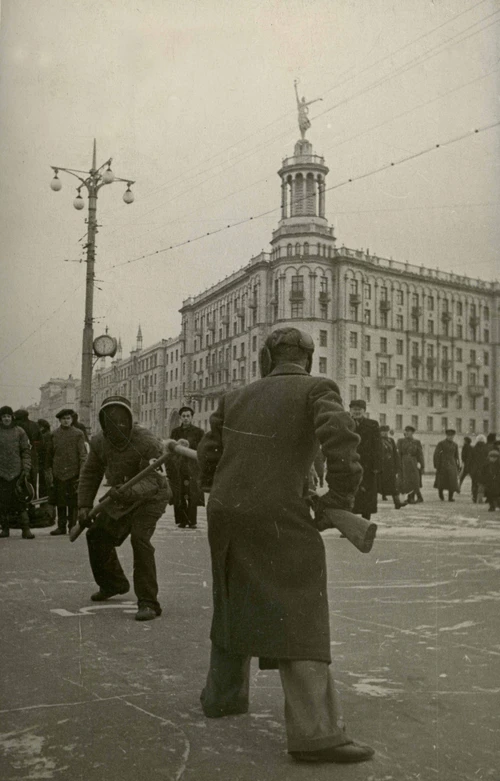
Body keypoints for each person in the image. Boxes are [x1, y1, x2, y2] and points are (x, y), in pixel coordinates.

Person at [197, 327, 373, 764]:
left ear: (266, 358)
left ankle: (223, 696)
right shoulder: (318, 387)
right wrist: (338, 499)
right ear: (308, 359)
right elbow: (343, 442)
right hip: (279, 513)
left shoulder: (234, 397)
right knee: (301, 609)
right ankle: (316, 735)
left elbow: (208, 454)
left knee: (232, 597)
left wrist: (220, 488)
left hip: (226, 513)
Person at [77, 396, 171, 622]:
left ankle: (149, 602)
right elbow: (90, 473)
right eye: (111, 425)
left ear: (129, 422)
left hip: (151, 498)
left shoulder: (148, 442)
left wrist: (126, 492)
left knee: (139, 539)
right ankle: (113, 584)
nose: (117, 430)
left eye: (122, 424)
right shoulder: (99, 442)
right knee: (96, 534)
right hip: (122, 495)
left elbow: (154, 481)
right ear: (104, 425)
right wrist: (83, 505)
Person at [46, 409, 87, 535]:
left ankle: (72, 527)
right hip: (58, 473)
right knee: (60, 501)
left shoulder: (78, 434)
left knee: (73, 503)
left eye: (68, 418)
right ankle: (61, 526)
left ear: (72, 419)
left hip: (73, 473)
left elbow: (83, 455)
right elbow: (49, 455)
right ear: (59, 420)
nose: (66, 421)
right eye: (63, 418)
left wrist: (81, 473)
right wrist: (50, 472)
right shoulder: (54, 434)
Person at [0, 406, 34, 539]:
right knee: (2, 502)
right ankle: (5, 529)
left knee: (20, 501)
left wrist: (26, 469)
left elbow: (25, 451)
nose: (6, 419)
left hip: (17, 472)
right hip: (1, 473)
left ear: (12, 417)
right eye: (4, 416)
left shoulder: (20, 431)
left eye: (8, 416)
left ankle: (26, 529)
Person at [168, 406, 205, 529]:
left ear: (192, 417)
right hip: (178, 466)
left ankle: (192, 521)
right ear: (180, 418)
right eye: (183, 416)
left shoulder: (199, 432)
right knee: (180, 494)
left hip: (192, 467)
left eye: (188, 416)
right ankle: (182, 520)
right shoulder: (175, 432)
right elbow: (170, 448)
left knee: (192, 493)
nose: (186, 418)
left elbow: (202, 449)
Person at [349, 400, 382, 521]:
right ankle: (350, 527)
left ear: (364, 411)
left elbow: (378, 446)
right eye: (354, 409)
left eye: (359, 409)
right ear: (350, 411)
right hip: (350, 464)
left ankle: (365, 525)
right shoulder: (346, 423)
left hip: (368, 466)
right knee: (350, 496)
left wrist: (376, 466)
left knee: (367, 496)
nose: (357, 411)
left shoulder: (372, 424)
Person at [378, 425, 405, 509]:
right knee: (377, 486)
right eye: (383, 431)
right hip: (380, 468)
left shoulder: (391, 440)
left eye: (386, 431)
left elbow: (395, 454)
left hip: (390, 468)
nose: (385, 433)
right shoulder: (377, 440)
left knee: (393, 486)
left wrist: (398, 466)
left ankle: (397, 503)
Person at [397, 426, 424, 503]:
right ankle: (411, 498)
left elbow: (420, 454)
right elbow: (398, 453)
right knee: (404, 481)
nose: (407, 433)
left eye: (409, 431)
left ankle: (411, 498)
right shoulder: (400, 441)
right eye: (406, 431)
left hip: (413, 463)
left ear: (412, 432)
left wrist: (422, 465)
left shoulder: (417, 442)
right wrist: (398, 464)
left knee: (414, 480)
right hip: (403, 463)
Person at [433, 429, 460, 502]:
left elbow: (456, 456)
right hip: (443, 464)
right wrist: (436, 464)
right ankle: (440, 493)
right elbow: (436, 454)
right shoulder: (441, 444)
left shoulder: (455, 445)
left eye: (452, 436)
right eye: (449, 436)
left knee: (452, 481)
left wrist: (458, 465)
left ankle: (450, 497)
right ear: (446, 436)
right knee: (442, 481)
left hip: (452, 464)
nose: (450, 437)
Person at [469, 434, 489, 503]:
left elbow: (470, 460)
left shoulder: (473, 448)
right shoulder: (487, 449)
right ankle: (482, 497)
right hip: (484, 469)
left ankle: (474, 497)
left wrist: (470, 469)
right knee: (483, 483)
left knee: (474, 483)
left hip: (475, 469)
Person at [37, 419, 51, 499]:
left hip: (45, 462)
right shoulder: (47, 434)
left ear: (42, 427)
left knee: (45, 482)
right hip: (46, 462)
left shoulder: (44, 436)